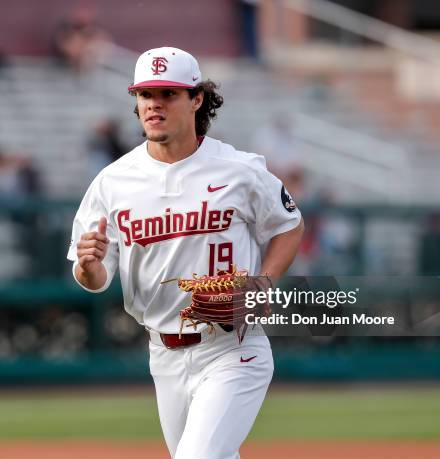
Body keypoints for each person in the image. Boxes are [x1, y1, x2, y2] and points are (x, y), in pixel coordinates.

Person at [67, 47, 304, 459]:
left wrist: (264, 283)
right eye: (145, 95)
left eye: (168, 93)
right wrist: (88, 267)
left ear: (197, 99)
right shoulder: (112, 182)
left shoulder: (239, 168)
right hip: (163, 353)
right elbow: (96, 278)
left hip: (232, 346)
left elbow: (289, 225)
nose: (154, 104)